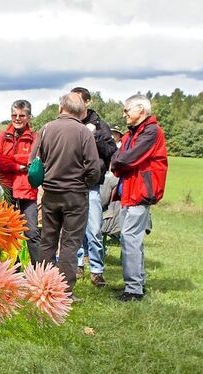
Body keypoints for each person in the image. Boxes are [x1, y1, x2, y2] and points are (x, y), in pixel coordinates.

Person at [31, 93, 101, 295]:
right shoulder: (83, 132)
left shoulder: (45, 129)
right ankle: (64, 292)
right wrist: (84, 183)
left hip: (50, 194)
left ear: (61, 107)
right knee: (70, 243)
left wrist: (46, 180)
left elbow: (33, 162)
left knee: (48, 241)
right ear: (81, 110)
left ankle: (42, 287)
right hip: (76, 195)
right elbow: (94, 168)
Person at [111, 94, 168, 302]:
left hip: (139, 192)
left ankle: (133, 290)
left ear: (141, 111)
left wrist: (118, 160)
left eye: (127, 110)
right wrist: (118, 160)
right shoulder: (133, 132)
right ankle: (137, 283)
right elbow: (118, 158)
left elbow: (127, 158)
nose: (124, 114)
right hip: (129, 191)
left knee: (130, 239)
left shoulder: (151, 131)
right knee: (132, 239)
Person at [70, 87, 119, 286]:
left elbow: (111, 150)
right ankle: (78, 264)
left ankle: (97, 270)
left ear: (87, 102)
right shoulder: (69, 123)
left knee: (94, 228)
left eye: (78, 99)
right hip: (72, 184)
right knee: (74, 229)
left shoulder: (99, 124)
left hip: (91, 185)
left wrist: (94, 135)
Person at [0, 100, 40, 263]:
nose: (17, 118)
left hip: (27, 190)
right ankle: (11, 269)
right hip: (6, 188)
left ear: (29, 117)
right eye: (14, 115)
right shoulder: (2, 136)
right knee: (6, 231)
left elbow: (32, 160)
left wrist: (11, 160)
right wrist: (18, 165)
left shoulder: (35, 137)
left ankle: (40, 272)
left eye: (22, 115)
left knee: (32, 232)